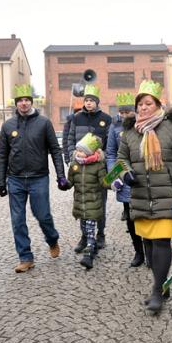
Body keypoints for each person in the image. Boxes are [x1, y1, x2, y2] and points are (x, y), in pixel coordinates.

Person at [117, 79, 172, 314]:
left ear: (158, 104)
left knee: (161, 241)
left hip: (168, 194)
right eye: (140, 104)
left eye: (148, 103)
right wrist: (125, 173)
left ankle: (157, 291)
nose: (143, 108)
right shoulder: (130, 132)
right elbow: (121, 159)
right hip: (141, 195)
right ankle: (162, 284)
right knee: (149, 246)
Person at [0, 84, 68, 273]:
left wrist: (61, 176)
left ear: (31, 102)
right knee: (17, 220)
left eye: (27, 100)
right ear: (16, 104)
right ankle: (26, 257)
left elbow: (55, 150)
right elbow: (2, 155)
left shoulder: (44, 123)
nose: (24, 103)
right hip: (15, 179)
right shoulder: (8, 126)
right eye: (20, 100)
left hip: (39, 178)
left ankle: (52, 239)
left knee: (43, 215)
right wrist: (1, 181)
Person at [66, 84, 113, 253]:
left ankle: (100, 235)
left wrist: (103, 156)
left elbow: (110, 143)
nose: (88, 103)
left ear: (97, 102)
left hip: (98, 167)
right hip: (81, 167)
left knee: (100, 203)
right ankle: (85, 236)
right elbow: (70, 139)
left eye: (92, 100)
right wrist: (72, 155)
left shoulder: (106, 119)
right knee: (83, 202)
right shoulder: (76, 118)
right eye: (86, 100)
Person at [106, 92, 145, 268]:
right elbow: (111, 154)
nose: (123, 116)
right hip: (125, 177)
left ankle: (150, 250)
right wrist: (114, 175)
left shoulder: (143, 124)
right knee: (130, 217)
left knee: (145, 216)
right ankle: (138, 251)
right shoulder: (114, 127)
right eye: (121, 112)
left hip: (142, 176)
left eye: (127, 112)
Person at [65, 133, 108, 270]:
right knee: (84, 228)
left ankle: (88, 255)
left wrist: (114, 180)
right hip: (80, 204)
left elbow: (104, 182)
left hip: (93, 204)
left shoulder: (98, 165)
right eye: (77, 149)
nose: (78, 152)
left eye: (82, 150)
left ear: (90, 152)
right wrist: (63, 184)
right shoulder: (74, 165)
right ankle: (92, 245)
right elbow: (70, 182)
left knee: (90, 230)